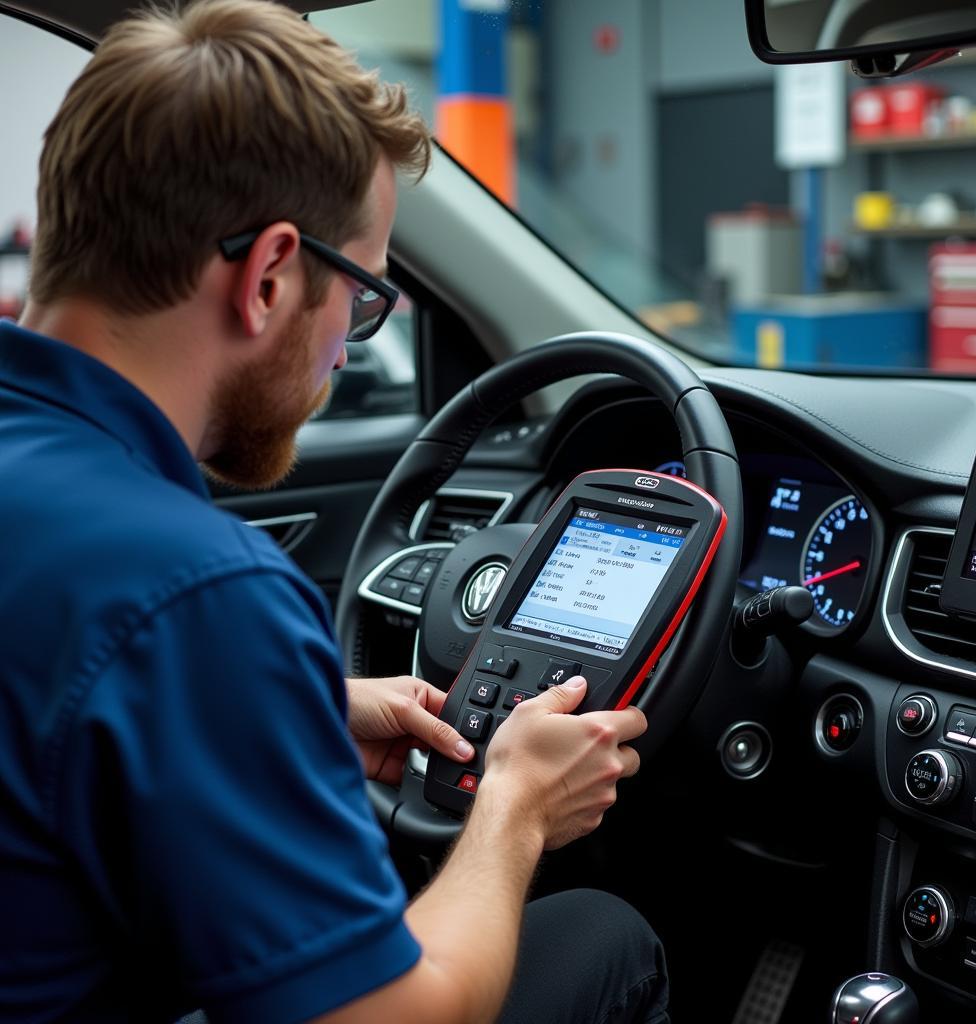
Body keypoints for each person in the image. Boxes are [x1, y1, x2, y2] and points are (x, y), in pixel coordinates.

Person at [0, 2, 669, 1021]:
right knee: (607, 937)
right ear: (269, 275)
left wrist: (300, 705)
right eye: (360, 298)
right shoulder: (195, 594)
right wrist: (513, 810)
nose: (346, 349)